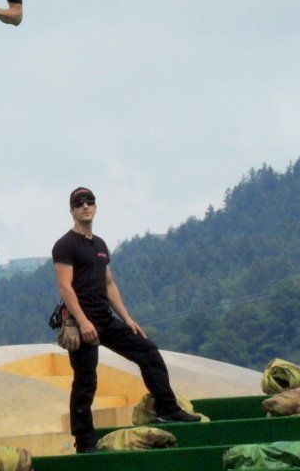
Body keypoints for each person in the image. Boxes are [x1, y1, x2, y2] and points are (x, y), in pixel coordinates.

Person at [53, 187, 202, 452]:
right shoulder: (65, 244)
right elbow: (65, 286)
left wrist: (127, 318)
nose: (85, 206)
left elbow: (109, 284)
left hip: (106, 318)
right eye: (79, 203)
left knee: (148, 352)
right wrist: (83, 322)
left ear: (96, 207)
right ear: (71, 210)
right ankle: (84, 441)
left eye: (90, 201)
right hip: (82, 322)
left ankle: (167, 409)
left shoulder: (99, 245)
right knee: (86, 381)